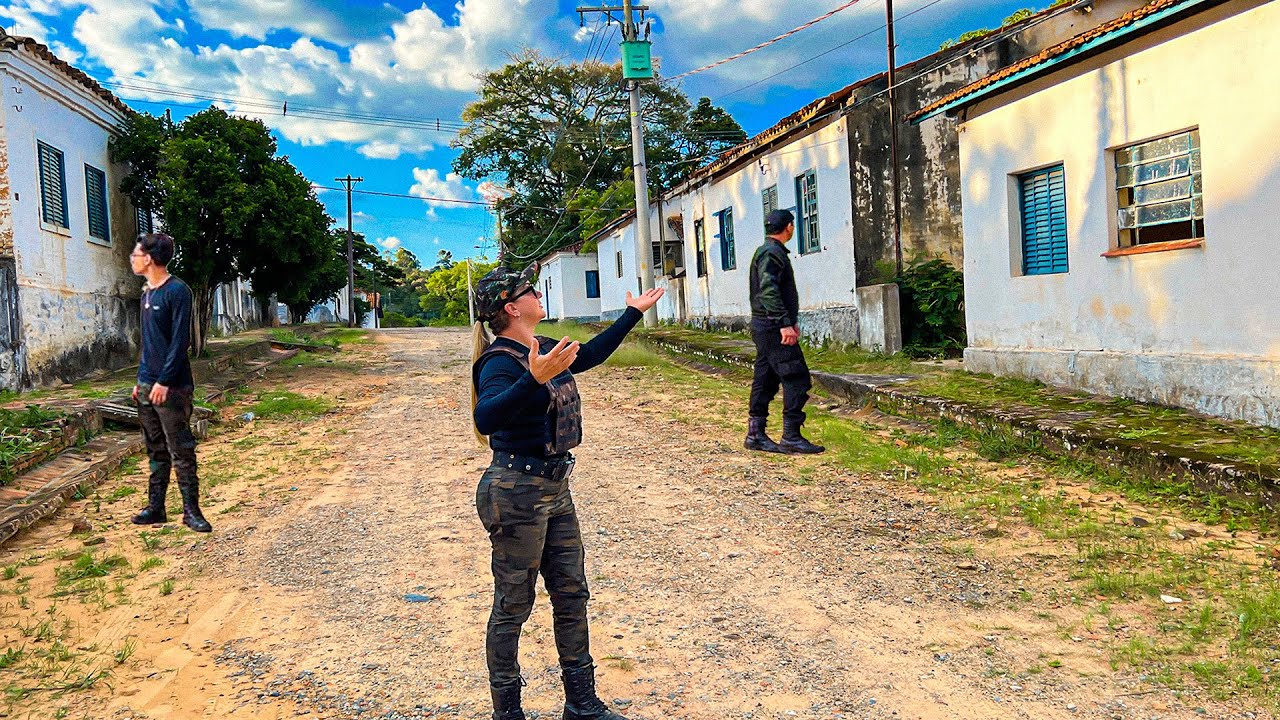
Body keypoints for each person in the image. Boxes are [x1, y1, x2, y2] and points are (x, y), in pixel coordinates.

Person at [470, 261, 663, 720]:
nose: (540, 296)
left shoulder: (541, 346)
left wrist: (632, 313)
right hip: (515, 490)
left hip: (554, 488)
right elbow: (486, 418)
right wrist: (532, 379)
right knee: (513, 605)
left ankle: (581, 703)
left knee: (572, 594)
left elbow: (590, 354)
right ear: (511, 307)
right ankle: (507, 712)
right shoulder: (499, 361)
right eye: (531, 291)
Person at [128, 233, 211, 533]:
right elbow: (148, 344)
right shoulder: (147, 294)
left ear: (149, 258)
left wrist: (163, 381)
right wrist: (142, 380)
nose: (134, 258)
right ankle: (156, 507)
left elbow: (180, 342)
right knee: (155, 449)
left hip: (172, 387)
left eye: (137, 254)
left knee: (181, 449)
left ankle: (191, 511)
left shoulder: (178, 291)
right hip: (148, 386)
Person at [744, 209, 825, 455]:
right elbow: (769, 290)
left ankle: (755, 433)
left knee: (766, 378)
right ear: (789, 227)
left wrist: (787, 320)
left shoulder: (767, 251)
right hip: (771, 325)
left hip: (765, 324)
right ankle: (791, 436)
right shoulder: (772, 253)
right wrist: (783, 323)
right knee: (796, 377)